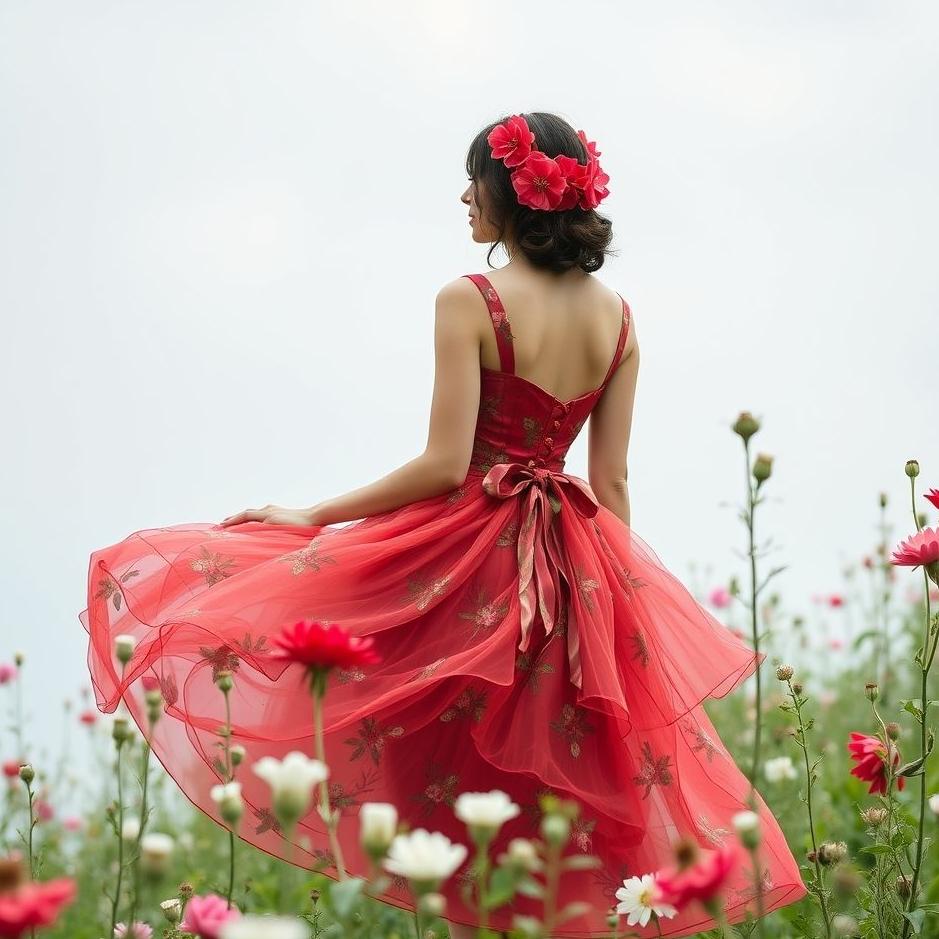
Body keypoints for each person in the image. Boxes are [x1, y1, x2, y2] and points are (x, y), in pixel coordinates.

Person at [79, 112, 807, 937]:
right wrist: (617, 608)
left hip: (469, 570)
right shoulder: (621, 319)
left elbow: (440, 463)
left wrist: (313, 512)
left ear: (516, 195)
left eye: (477, 180)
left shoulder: (471, 299)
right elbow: (609, 480)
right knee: (547, 822)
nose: (465, 195)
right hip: (573, 571)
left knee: (449, 815)